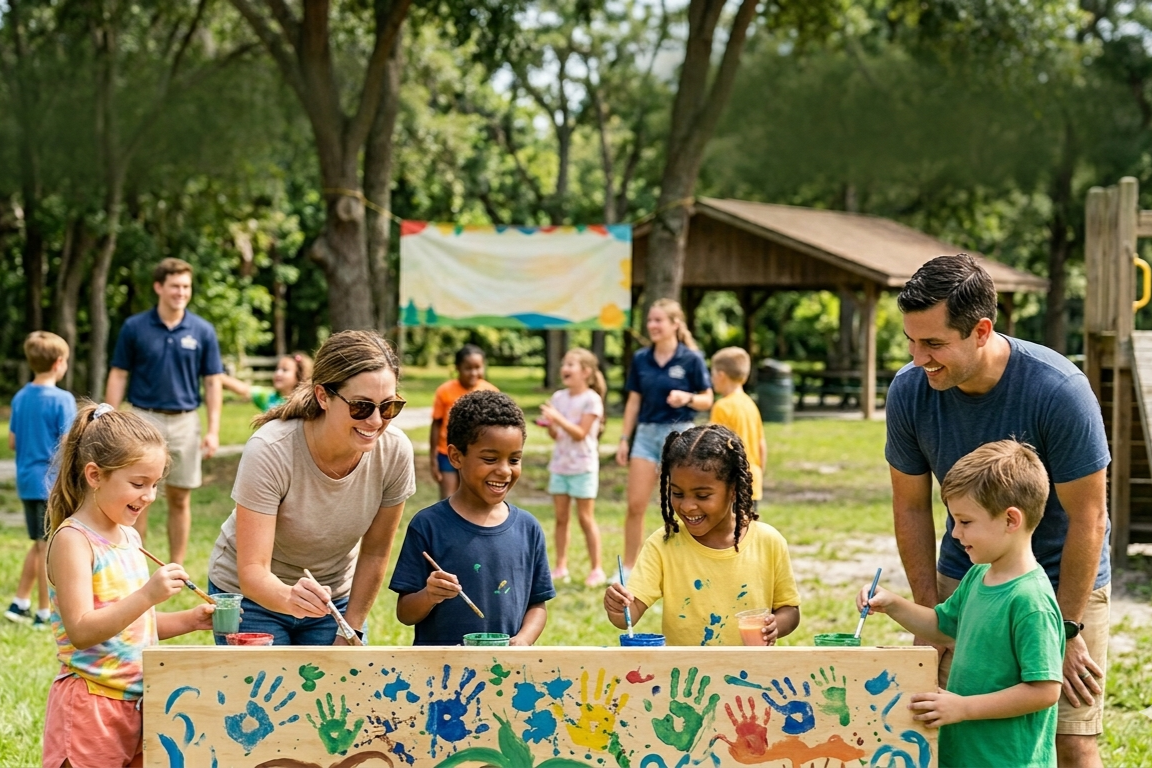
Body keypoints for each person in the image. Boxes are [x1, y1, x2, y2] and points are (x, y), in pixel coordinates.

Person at [886, 253, 1110, 767]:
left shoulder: (1059, 391)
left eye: (934, 344)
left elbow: (1089, 518)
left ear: (981, 330)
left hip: (1060, 574)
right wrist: (928, 623)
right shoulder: (909, 390)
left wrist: (1066, 629)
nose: (919, 360)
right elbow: (911, 507)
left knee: (1071, 740)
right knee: (953, 729)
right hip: (966, 572)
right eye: (912, 342)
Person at [859, 440, 1063, 768]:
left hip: (1008, 760)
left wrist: (964, 708)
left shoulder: (1030, 600)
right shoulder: (978, 575)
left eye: (965, 522)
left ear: (1011, 520)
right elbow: (942, 627)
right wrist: (893, 604)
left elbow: (1044, 690)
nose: (954, 533)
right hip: (965, 754)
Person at [206, 330, 416, 645]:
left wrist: (351, 628)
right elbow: (252, 571)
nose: (375, 421)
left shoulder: (395, 451)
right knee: (269, 695)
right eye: (361, 407)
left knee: (340, 694)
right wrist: (290, 598)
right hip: (250, 598)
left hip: (334, 602)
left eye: (388, 407)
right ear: (323, 396)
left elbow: (374, 552)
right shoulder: (270, 449)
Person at [42, 403, 214, 768]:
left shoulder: (130, 538)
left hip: (138, 703)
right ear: (94, 475)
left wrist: (191, 619)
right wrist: (148, 594)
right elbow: (82, 630)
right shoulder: (75, 540)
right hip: (92, 705)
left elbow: (135, 625)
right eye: (138, 484)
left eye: (154, 484)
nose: (149, 496)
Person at [604, 424, 800, 646]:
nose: (687, 506)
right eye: (677, 493)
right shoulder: (663, 544)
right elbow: (628, 615)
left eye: (703, 495)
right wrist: (618, 607)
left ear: (733, 489)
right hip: (687, 676)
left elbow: (790, 610)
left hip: (752, 674)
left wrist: (775, 625)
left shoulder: (768, 542)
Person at [391, 391, 555, 645]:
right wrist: (430, 594)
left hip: (505, 673)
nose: (503, 470)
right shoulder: (428, 525)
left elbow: (538, 604)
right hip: (440, 675)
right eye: (490, 459)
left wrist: (523, 639)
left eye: (514, 459)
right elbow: (405, 613)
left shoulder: (528, 528)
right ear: (456, 457)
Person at [105, 257, 224, 565]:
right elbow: (118, 374)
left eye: (186, 286)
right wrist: (109, 417)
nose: (181, 292)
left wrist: (213, 430)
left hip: (185, 421)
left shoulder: (202, 331)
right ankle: (134, 563)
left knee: (180, 498)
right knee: (136, 497)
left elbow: (212, 382)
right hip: (144, 419)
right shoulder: (135, 327)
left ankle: (176, 566)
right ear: (159, 287)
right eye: (175, 286)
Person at [615, 299, 713, 581]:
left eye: (658, 320)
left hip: (680, 435)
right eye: (650, 320)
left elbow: (707, 398)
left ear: (675, 324)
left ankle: (686, 565)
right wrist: (624, 438)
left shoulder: (691, 359)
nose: (652, 325)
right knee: (635, 505)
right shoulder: (640, 359)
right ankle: (629, 569)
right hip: (645, 435)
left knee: (683, 505)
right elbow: (634, 401)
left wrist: (688, 398)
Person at [5, 332, 77, 628]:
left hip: (26, 482)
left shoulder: (21, 397)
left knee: (38, 542)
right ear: (60, 363)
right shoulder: (63, 399)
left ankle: (19, 602)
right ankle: (44, 611)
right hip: (51, 484)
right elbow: (72, 442)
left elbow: (12, 441)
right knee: (49, 547)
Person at [540, 348, 607, 587]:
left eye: (571, 364)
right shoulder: (559, 397)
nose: (564, 368)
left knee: (585, 519)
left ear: (586, 372)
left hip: (583, 467)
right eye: (564, 364)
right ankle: (560, 567)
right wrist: (549, 424)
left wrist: (556, 418)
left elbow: (580, 434)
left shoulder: (591, 399)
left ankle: (597, 569)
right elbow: (557, 435)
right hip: (560, 466)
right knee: (561, 519)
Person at [430, 344, 499, 499]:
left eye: (478, 367)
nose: (473, 373)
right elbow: (436, 424)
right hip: (446, 451)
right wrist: (433, 458)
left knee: (474, 497)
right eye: (468, 368)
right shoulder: (445, 391)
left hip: (477, 454)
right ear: (458, 368)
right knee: (448, 498)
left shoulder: (491, 392)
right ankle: (447, 524)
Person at [709, 347, 767, 508]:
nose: (711, 379)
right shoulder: (751, 404)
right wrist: (759, 473)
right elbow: (761, 445)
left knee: (729, 532)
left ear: (721, 376)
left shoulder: (722, 406)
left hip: (731, 483)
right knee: (747, 531)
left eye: (712, 374)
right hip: (752, 480)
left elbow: (715, 448)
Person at [220, 352, 314, 412]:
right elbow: (244, 389)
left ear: (299, 376)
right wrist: (219, 377)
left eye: (285, 370)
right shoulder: (268, 398)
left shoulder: (304, 403)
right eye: (277, 369)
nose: (278, 373)